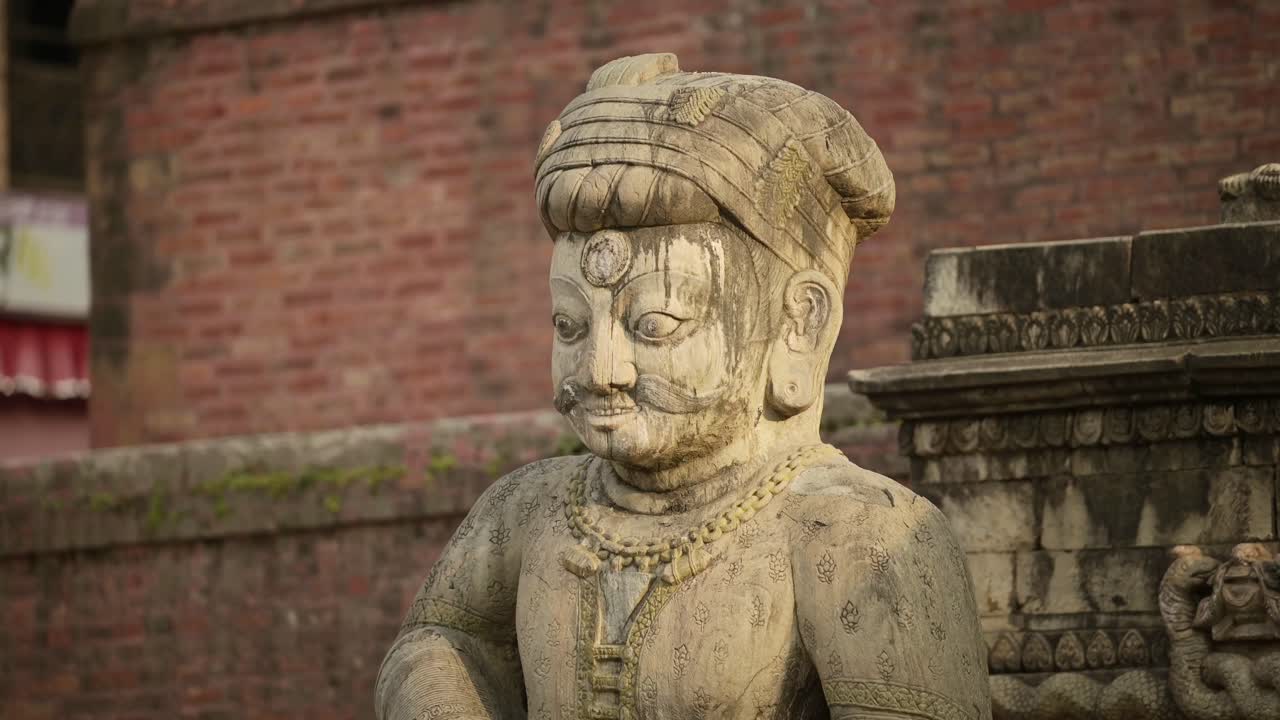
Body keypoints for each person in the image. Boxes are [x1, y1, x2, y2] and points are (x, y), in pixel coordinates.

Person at [375, 53, 991, 720]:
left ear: (798, 323)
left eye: (654, 324)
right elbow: (441, 642)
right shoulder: (525, 510)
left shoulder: (860, 534)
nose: (599, 369)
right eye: (570, 324)